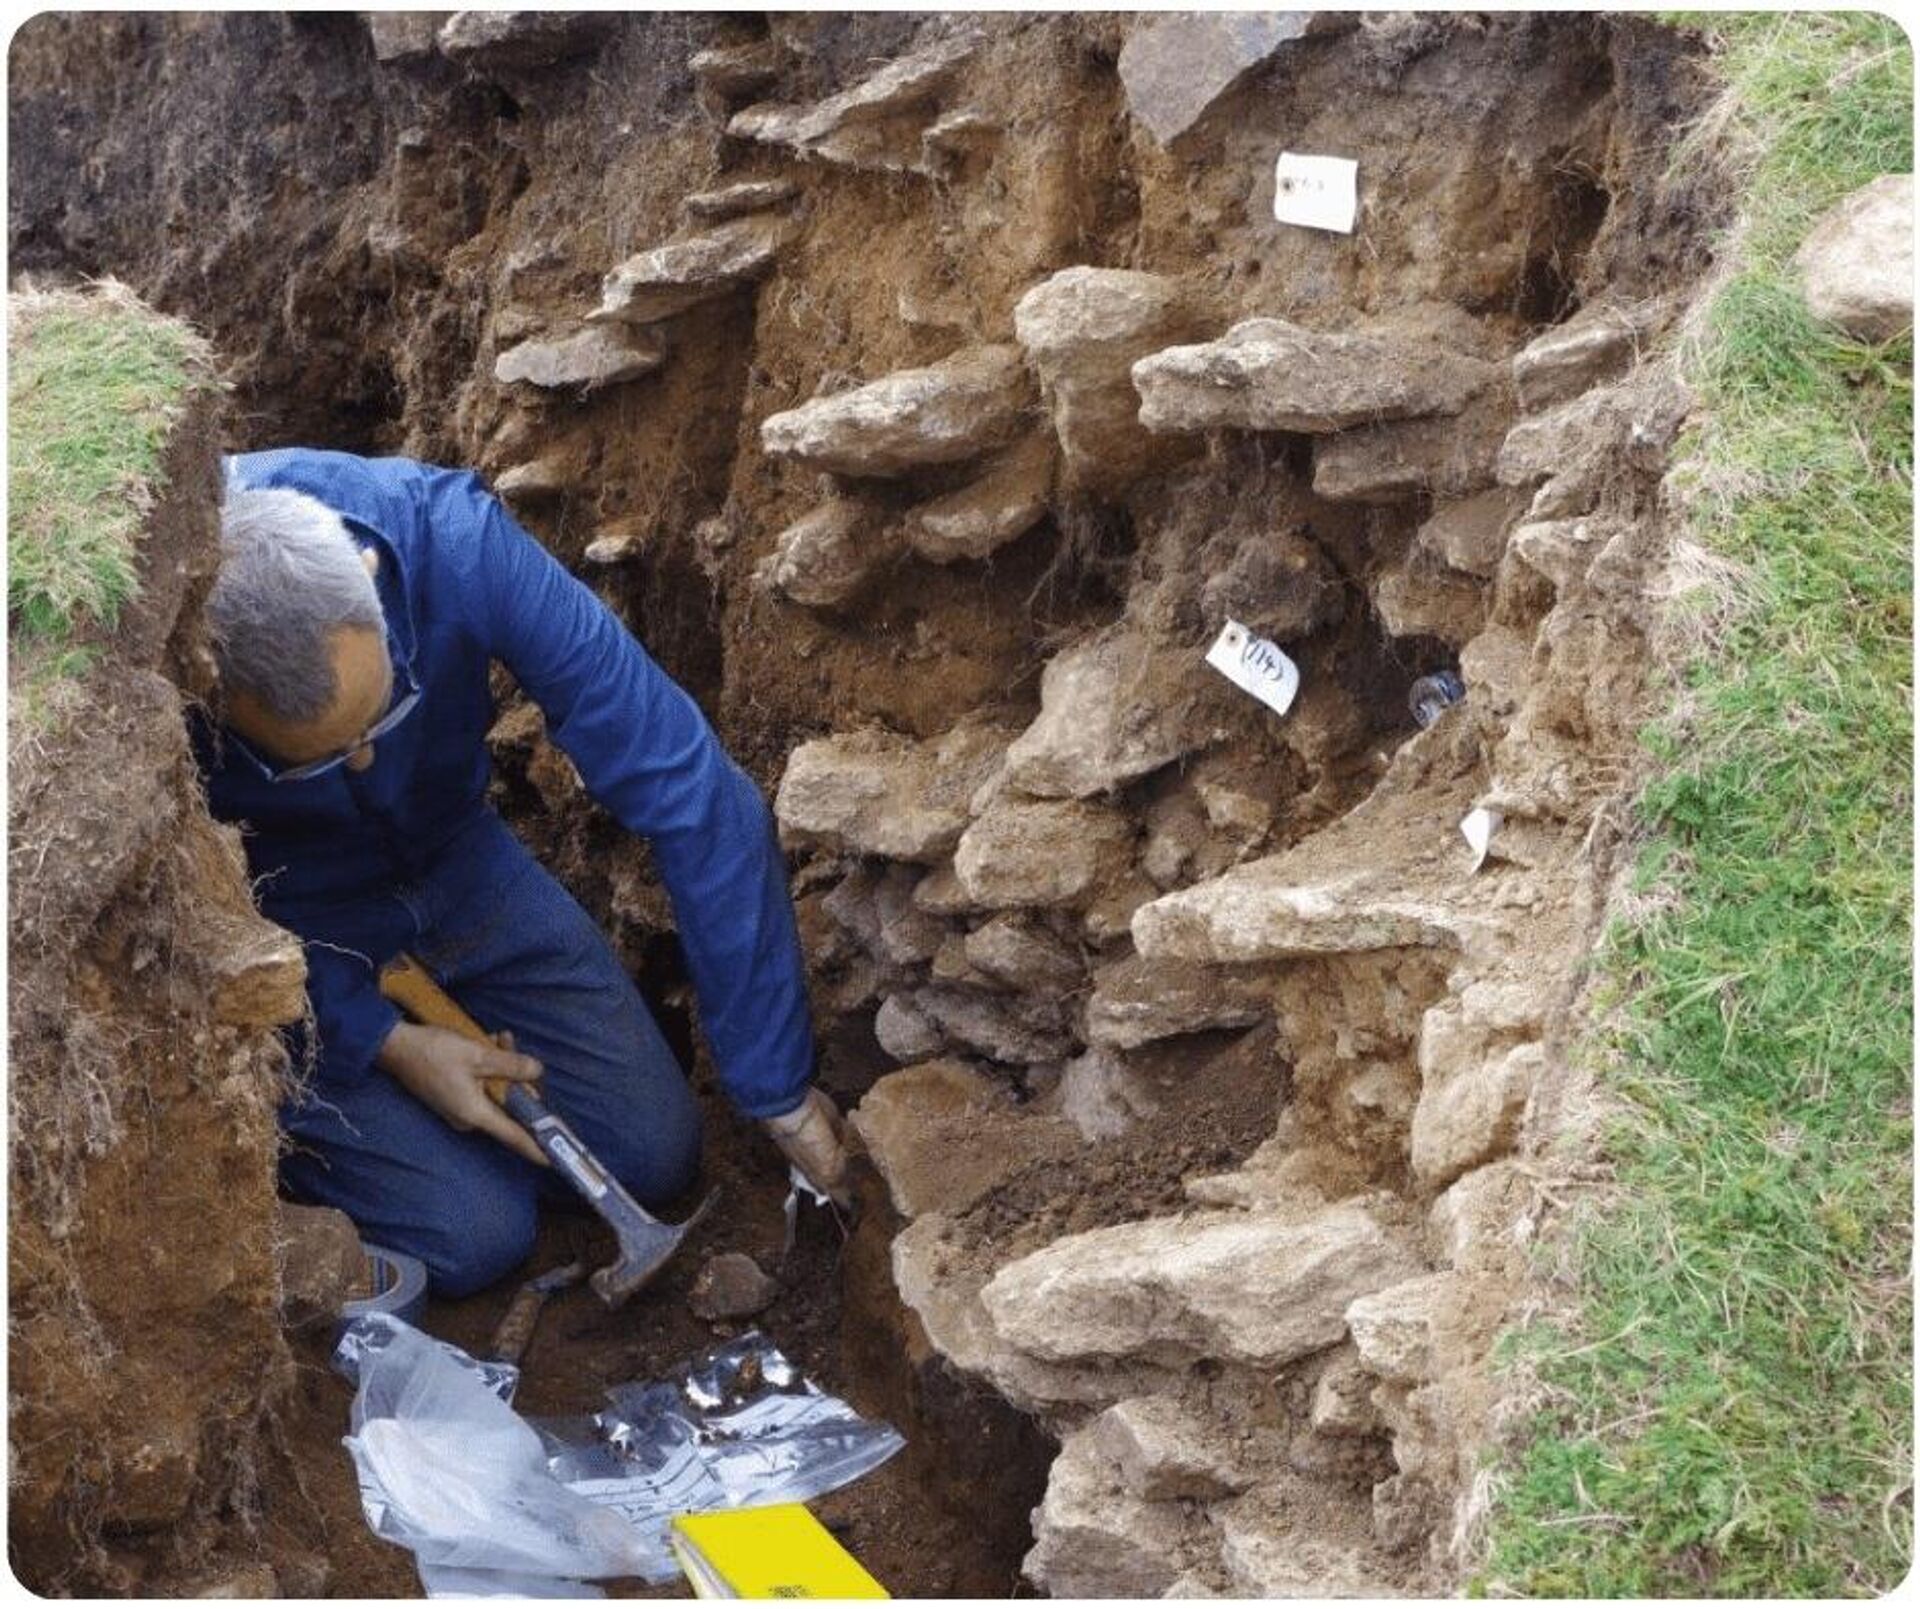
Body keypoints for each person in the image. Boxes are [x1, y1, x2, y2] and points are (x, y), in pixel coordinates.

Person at [195, 448, 849, 1297]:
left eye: (379, 718)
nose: (364, 763)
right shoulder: (158, 671)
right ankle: (391, 1136)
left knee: (655, 1149)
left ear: (369, 577)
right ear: (207, 685)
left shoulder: (450, 541)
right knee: (477, 1235)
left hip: (453, 855)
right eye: (315, 763)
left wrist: (777, 1086)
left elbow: (689, 784)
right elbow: (190, 932)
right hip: (290, 921)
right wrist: (387, 1044)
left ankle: (438, 1131)